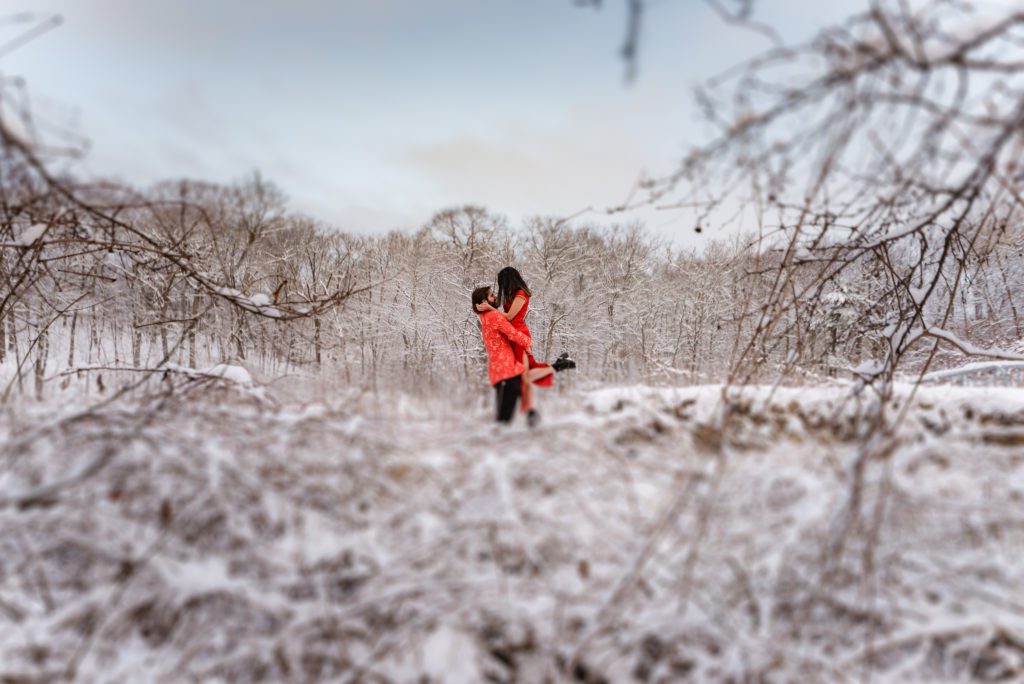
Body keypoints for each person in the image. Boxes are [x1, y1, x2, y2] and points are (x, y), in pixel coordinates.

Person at [486, 267, 574, 426]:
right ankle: (531, 411)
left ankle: (558, 366)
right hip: (512, 335)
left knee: (524, 376)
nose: (502, 287)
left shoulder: (520, 294)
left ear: (508, 280)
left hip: (519, 334)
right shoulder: (512, 295)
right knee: (522, 377)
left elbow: (510, 316)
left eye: (502, 283)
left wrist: (490, 309)